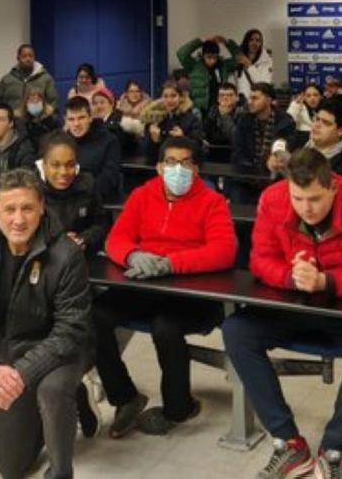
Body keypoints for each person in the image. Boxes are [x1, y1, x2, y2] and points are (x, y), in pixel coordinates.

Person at [223, 149, 342, 479]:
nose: (306, 208)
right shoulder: (273, 198)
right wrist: (291, 277)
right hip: (293, 304)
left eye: (315, 198)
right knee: (236, 330)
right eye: (298, 199)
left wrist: (324, 281)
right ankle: (288, 443)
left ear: (333, 187)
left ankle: (333, 449)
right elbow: (260, 260)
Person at [0, 168, 92, 479]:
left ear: (42, 207)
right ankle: (64, 403)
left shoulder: (67, 256)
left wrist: (20, 374)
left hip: (60, 350)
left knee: (52, 390)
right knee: (10, 468)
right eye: (9, 209)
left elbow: (70, 331)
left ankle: (61, 470)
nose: (18, 219)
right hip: (8, 352)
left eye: (27, 208)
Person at [92, 137, 235, 437]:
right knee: (95, 316)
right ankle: (125, 397)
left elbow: (224, 251)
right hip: (146, 284)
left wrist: (172, 263)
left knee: (165, 327)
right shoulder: (142, 195)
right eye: (170, 162)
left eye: (185, 163)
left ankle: (178, 407)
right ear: (159, 167)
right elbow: (115, 239)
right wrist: (132, 254)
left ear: (196, 169)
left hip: (191, 291)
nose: (177, 169)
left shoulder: (213, 202)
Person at [36, 133, 110, 258]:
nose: (63, 172)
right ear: (44, 165)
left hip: (80, 258)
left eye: (70, 165)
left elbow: (101, 224)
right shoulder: (32, 190)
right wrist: (56, 241)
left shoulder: (87, 185)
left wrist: (83, 239)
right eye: (55, 165)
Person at [63, 96, 122, 202]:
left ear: (90, 117)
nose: (76, 124)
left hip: (97, 203)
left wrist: (82, 194)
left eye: (81, 118)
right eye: (71, 119)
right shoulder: (61, 142)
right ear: (65, 121)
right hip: (66, 202)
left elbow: (110, 177)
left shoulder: (109, 140)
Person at [233, 82, 296, 175]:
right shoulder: (244, 120)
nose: (250, 102)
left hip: (275, 173)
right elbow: (238, 152)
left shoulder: (285, 121)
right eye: (250, 98)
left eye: (255, 98)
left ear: (269, 100)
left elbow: (286, 148)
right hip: (248, 174)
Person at [140, 80, 204, 162]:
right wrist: (154, 141)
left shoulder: (191, 119)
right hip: (161, 166)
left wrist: (183, 139)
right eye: (165, 96)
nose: (169, 100)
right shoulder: (154, 119)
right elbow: (148, 154)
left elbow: (198, 149)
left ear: (181, 97)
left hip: (184, 165)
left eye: (173, 96)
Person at [175, 34, 240, 113]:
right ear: (203, 55)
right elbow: (181, 54)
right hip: (200, 109)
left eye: (215, 57)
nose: (212, 60)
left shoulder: (223, 66)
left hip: (220, 108)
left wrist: (227, 42)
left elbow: (239, 59)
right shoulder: (194, 65)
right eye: (209, 57)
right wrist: (200, 40)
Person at [306, 98, 342, 182]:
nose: (317, 125)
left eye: (326, 123)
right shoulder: (305, 146)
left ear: (340, 131)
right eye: (317, 119)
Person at [0, 43, 58, 113]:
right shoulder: (7, 80)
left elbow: (53, 102)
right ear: (18, 58)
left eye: (31, 56)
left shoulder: (46, 79)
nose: (28, 59)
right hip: (13, 121)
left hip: (39, 121)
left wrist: (45, 116)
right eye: (24, 56)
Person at [232, 27, 274, 101]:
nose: (254, 43)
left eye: (258, 40)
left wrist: (249, 66)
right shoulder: (239, 59)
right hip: (241, 103)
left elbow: (264, 84)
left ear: (261, 43)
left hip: (257, 101)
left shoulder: (267, 61)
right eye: (251, 40)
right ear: (246, 42)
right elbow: (234, 81)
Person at [203, 81, 241, 150]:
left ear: (237, 98)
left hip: (234, 153)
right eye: (222, 95)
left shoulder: (242, 114)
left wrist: (225, 116)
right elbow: (205, 134)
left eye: (230, 95)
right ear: (218, 99)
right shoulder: (212, 112)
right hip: (213, 153)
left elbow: (236, 139)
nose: (225, 98)